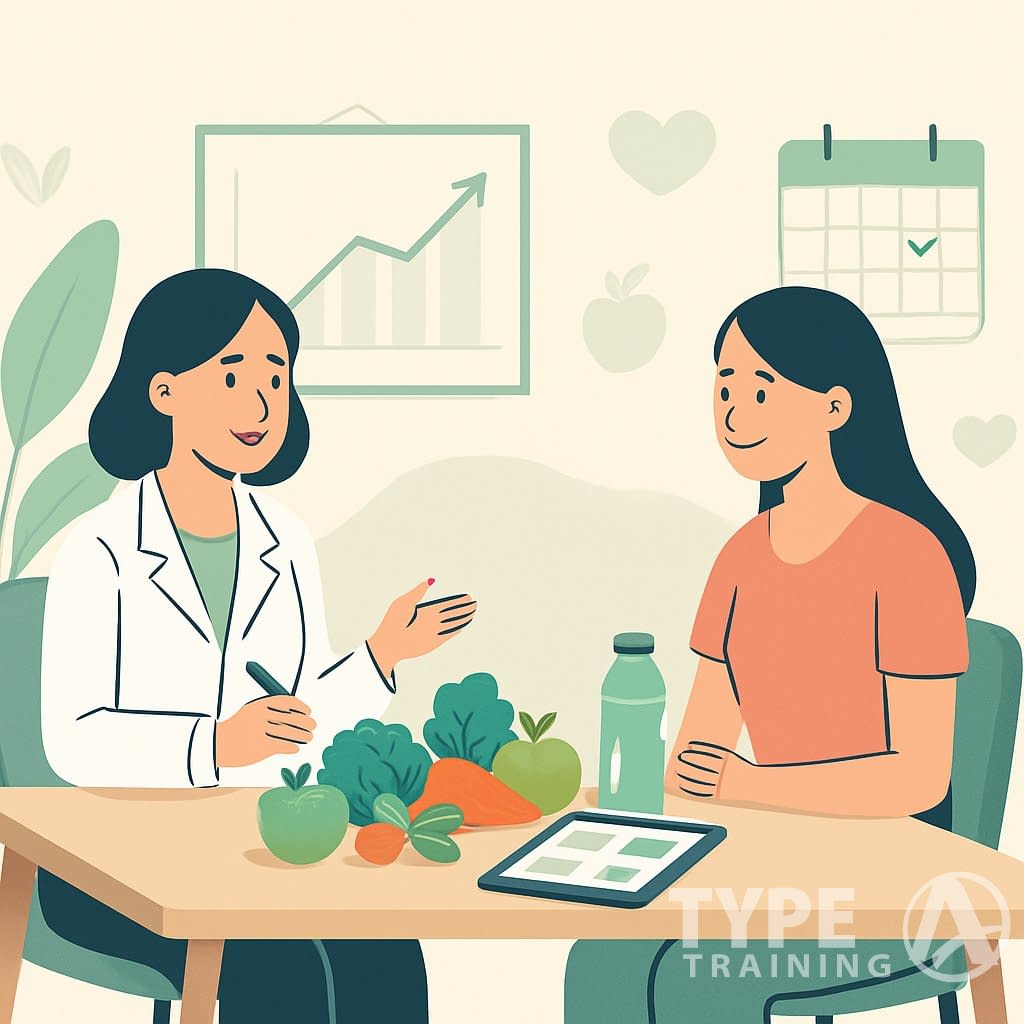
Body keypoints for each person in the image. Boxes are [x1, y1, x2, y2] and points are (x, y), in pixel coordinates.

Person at [38, 268, 477, 1023]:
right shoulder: (100, 548)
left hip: (250, 850)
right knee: (284, 960)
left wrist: (381, 655)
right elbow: (72, 743)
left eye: (277, 375)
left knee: (382, 943)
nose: (261, 400)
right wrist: (216, 745)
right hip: (116, 866)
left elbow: (300, 718)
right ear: (163, 389)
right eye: (233, 372)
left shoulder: (286, 540)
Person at [565, 286, 974, 1022]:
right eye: (723, 386)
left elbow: (920, 778)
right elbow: (701, 754)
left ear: (836, 407)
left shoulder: (909, 557)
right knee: (602, 960)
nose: (733, 411)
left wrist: (749, 785)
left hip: (893, 887)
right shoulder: (741, 558)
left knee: (694, 981)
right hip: (773, 866)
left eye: (761, 388)